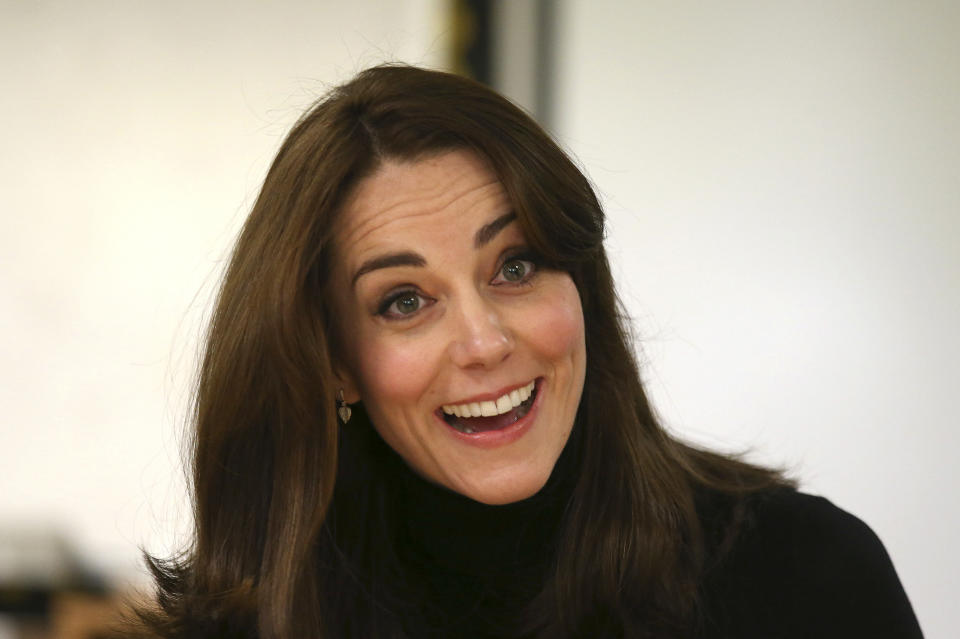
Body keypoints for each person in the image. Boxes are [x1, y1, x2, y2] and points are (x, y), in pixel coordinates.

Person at [132, 65, 923, 638]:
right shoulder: (249, 626)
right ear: (334, 360)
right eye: (405, 302)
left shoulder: (808, 577)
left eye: (516, 266)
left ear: (579, 282)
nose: (483, 342)